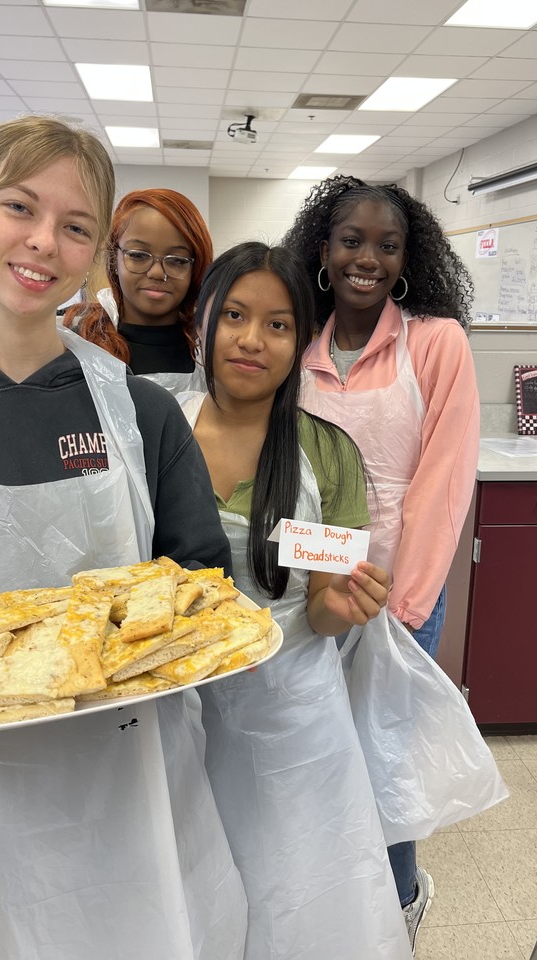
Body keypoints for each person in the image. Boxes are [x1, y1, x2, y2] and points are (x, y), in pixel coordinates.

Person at [0, 116, 246, 960]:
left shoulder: (139, 411)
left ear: (94, 251)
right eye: (18, 207)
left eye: (76, 226)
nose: (45, 242)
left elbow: (200, 580)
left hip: (137, 768)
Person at [178, 241, 412, 960]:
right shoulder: (158, 430)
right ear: (202, 323)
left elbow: (319, 605)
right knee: (190, 885)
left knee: (297, 894)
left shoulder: (326, 453)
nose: (252, 340)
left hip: (291, 719)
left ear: (301, 342)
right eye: (236, 316)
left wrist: (344, 607)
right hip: (177, 707)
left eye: (278, 325)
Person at [283, 175, 479, 952]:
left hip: (399, 595)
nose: (368, 257)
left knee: (384, 766)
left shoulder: (436, 342)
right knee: (310, 754)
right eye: (352, 241)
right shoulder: (298, 337)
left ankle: (397, 908)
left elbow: (445, 477)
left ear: (406, 260)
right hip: (307, 590)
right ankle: (324, 906)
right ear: (323, 254)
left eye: (386, 245)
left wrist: (411, 605)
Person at [64, 187, 212, 392]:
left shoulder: (211, 351)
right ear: (114, 259)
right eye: (138, 255)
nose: (157, 273)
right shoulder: (75, 337)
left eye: (177, 260)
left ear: (195, 268)